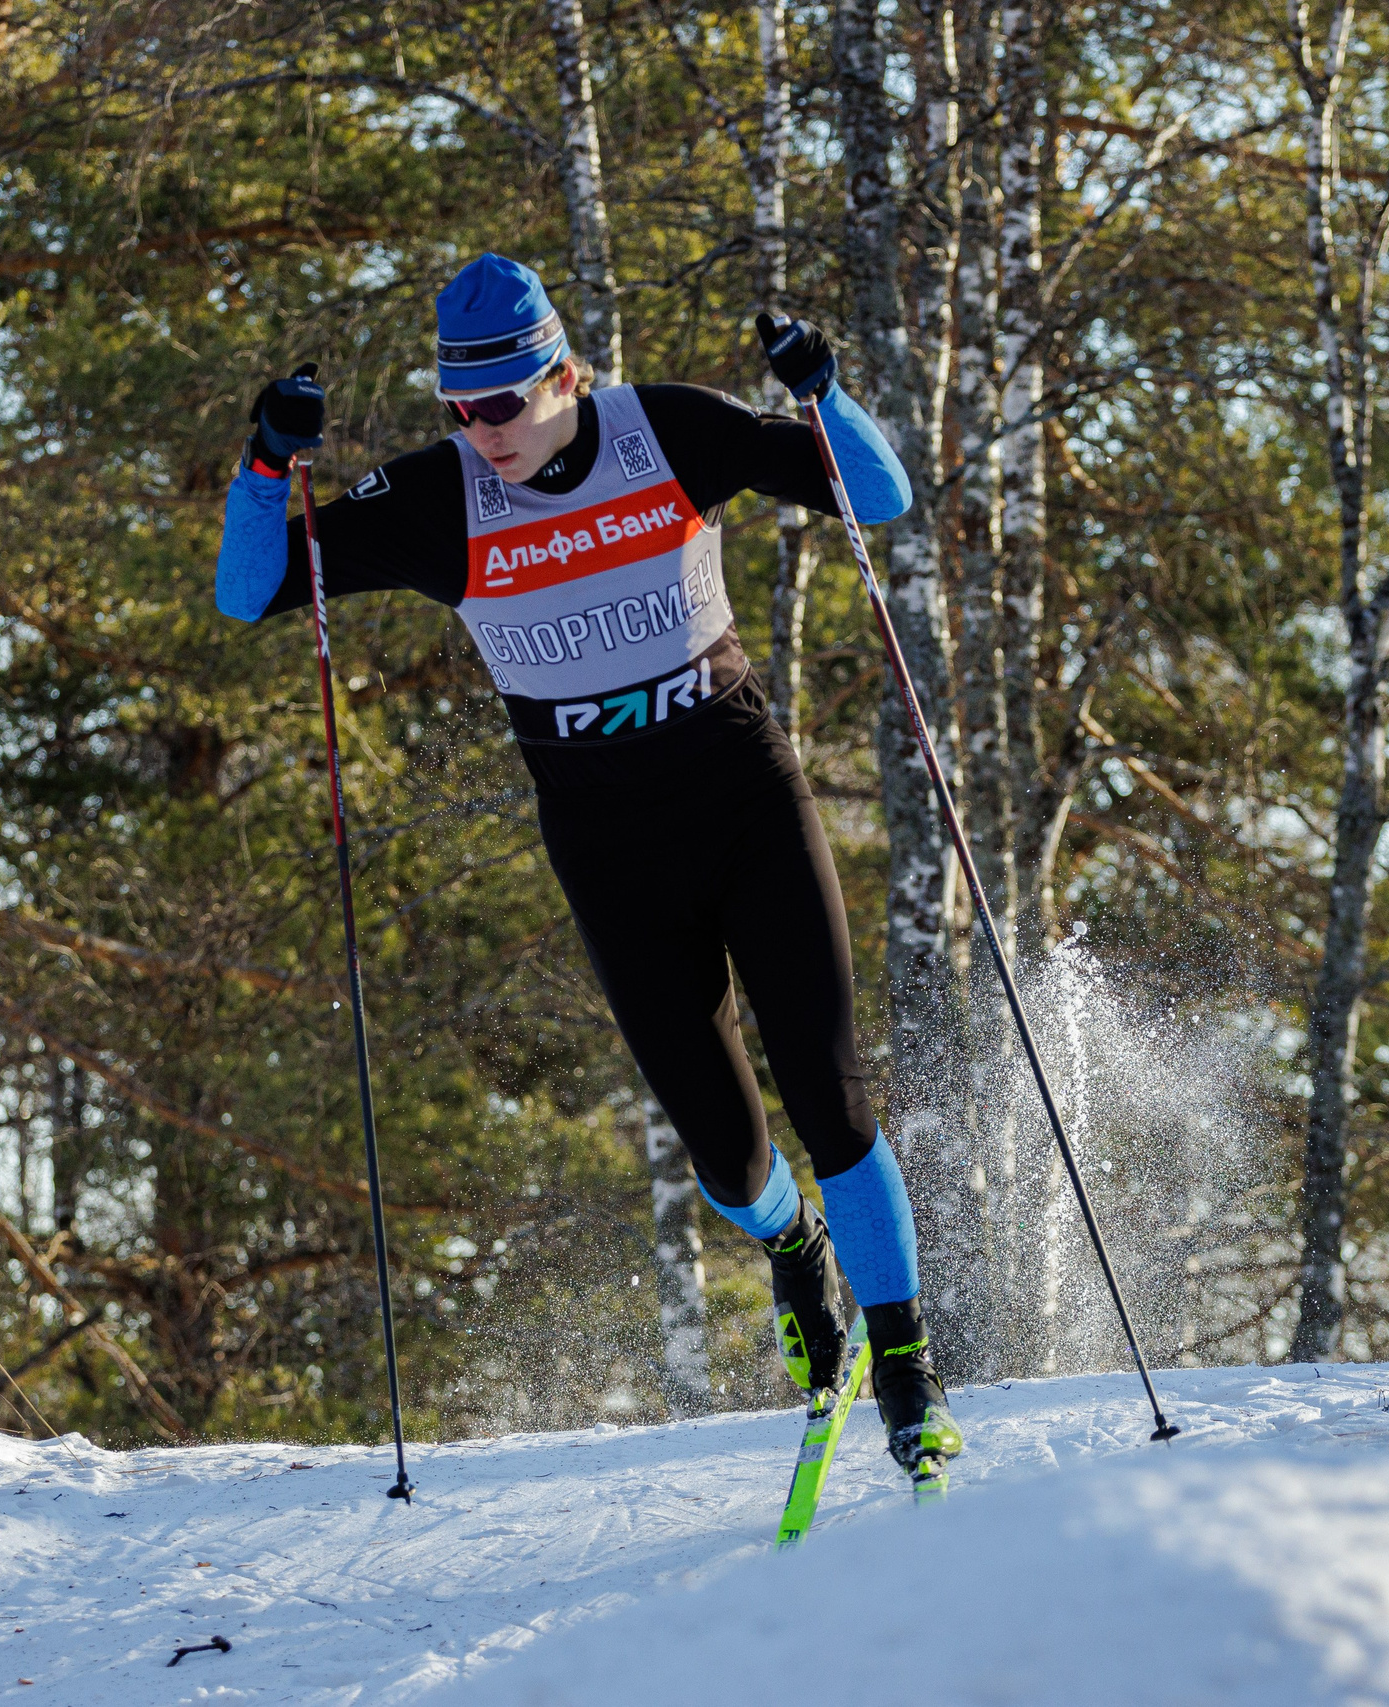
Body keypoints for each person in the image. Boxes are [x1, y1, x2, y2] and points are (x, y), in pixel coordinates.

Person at [213, 253, 962, 1476]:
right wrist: (262, 466)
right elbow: (251, 593)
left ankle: (908, 1370)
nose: (483, 432)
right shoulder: (442, 499)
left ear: (567, 375)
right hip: (609, 846)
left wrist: (822, 391)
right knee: (727, 1158)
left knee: (832, 1100)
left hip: (744, 797)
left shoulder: (665, 429)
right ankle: (793, 1253)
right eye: (461, 409)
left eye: (504, 404)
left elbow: (874, 498)